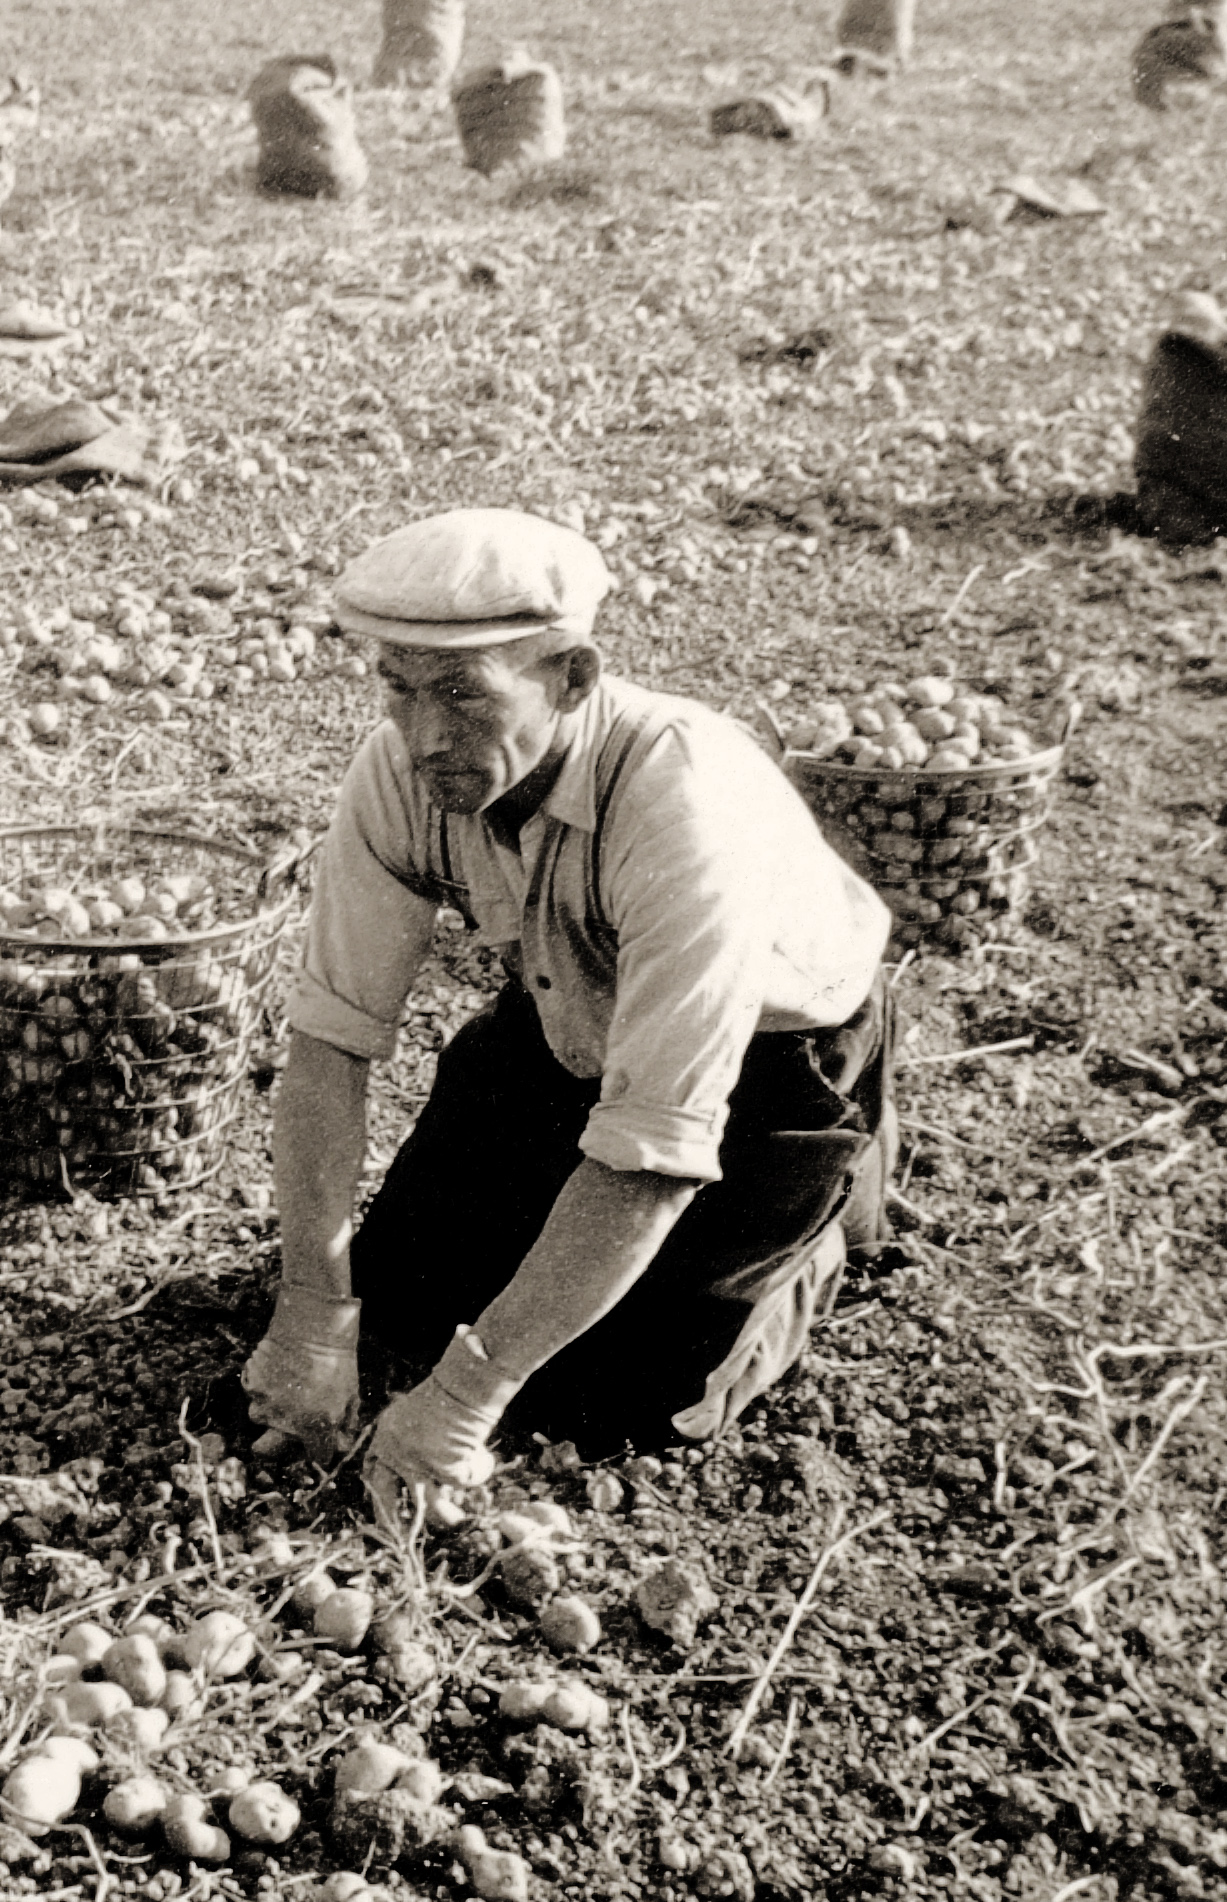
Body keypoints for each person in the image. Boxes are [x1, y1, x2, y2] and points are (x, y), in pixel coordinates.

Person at [241, 508, 898, 1506]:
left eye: (464, 693)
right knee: (396, 1297)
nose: (425, 738)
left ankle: (822, 1218)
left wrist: (463, 1399)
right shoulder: (403, 771)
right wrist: (310, 1313)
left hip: (770, 1054)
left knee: (623, 1400)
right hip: (566, 1010)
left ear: (575, 677)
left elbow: (652, 1149)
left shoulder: (682, 803)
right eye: (399, 688)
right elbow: (329, 1046)